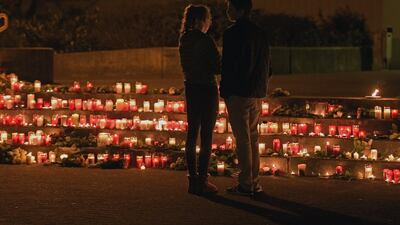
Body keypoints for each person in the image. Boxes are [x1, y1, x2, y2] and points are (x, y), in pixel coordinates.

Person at [220, 0, 271, 196]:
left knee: (242, 139)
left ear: (239, 10)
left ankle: (246, 183)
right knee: (253, 138)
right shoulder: (260, 33)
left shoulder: (232, 34)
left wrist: (226, 91)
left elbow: (229, 66)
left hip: (238, 93)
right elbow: (268, 65)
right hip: (256, 93)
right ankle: (254, 182)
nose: (227, 12)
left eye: (230, 8)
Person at [179, 4, 220, 195]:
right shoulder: (205, 40)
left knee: (191, 132)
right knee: (206, 136)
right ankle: (202, 180)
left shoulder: (184, 39)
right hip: (207, 89)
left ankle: (192, 180)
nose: (210, 22)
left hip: (191, 88)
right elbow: (218, 67)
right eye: (208, 18)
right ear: (200, 20)